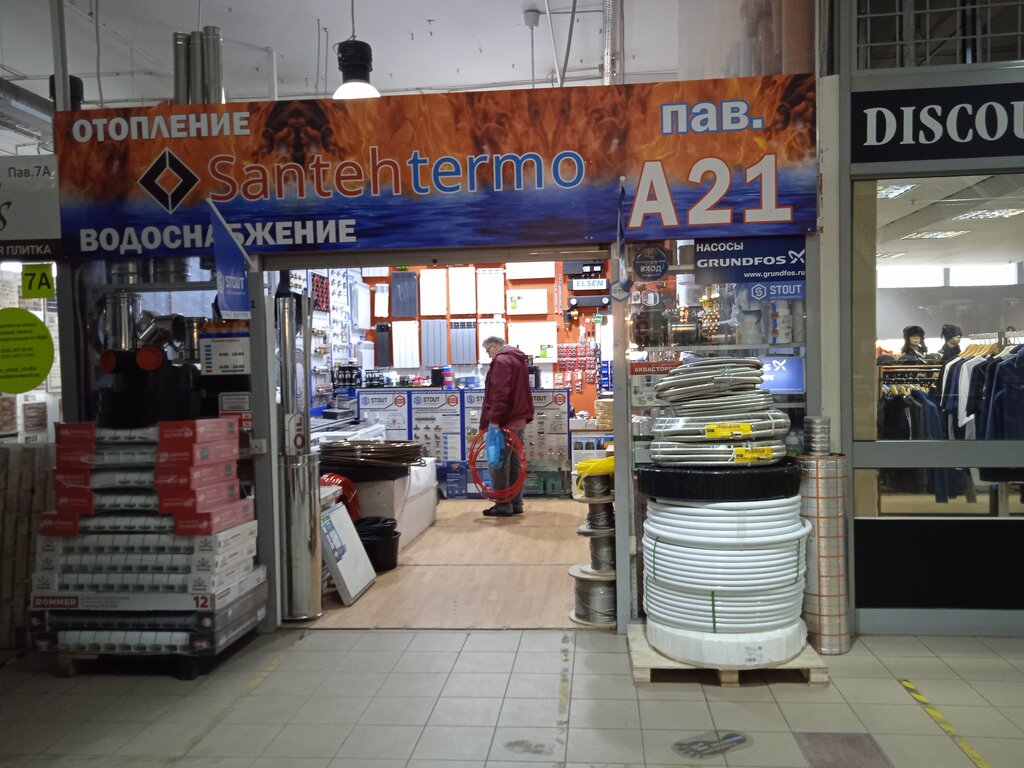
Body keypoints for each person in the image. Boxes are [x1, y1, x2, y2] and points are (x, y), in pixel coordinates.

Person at [479, 336, 534, 517]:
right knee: (514, 462)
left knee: (498, 463)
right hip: (518, 418)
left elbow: (500, 393)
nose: (489, 355)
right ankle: (516, 502)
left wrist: (495, 419)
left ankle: (503, 504)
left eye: (488, 350)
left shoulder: (502, 361)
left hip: (506, 419)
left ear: (495, 346)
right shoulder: (517, 359)